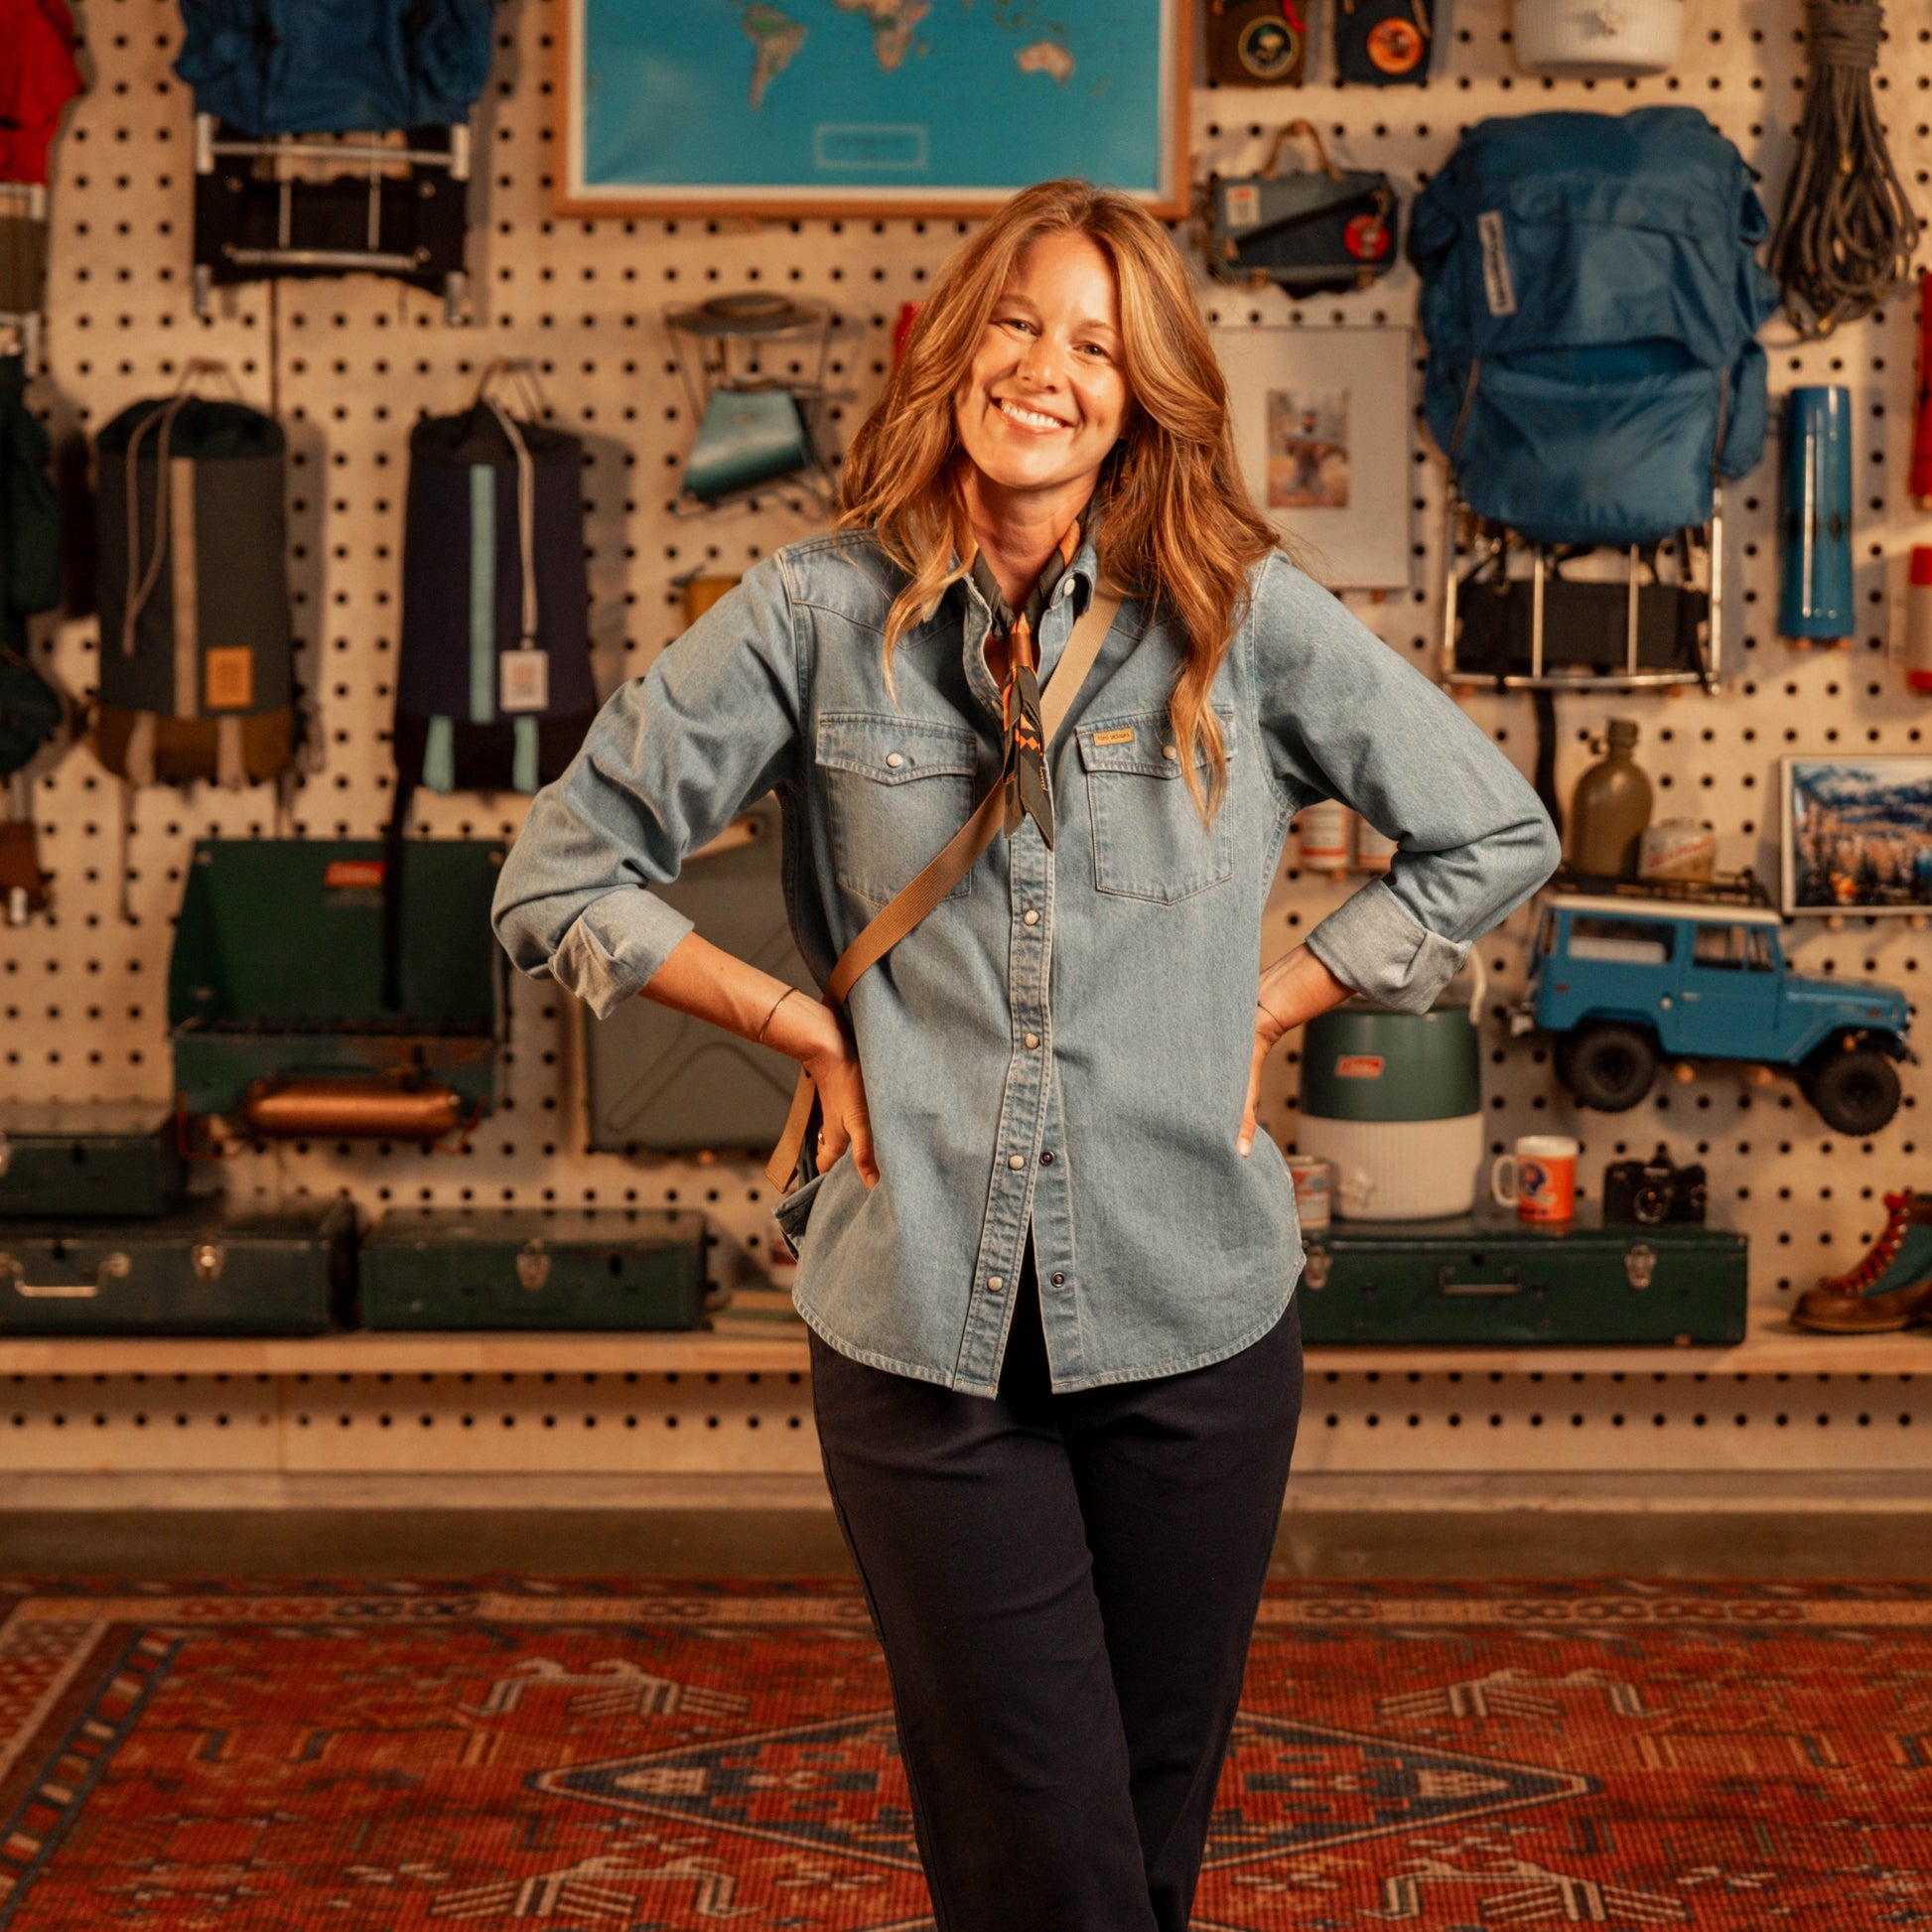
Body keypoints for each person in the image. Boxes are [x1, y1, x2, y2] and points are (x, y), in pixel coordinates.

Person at [492, 178, 1560, 1932]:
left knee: (1134, 1838)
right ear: (952, 342)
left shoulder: (1241, 611)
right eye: (1017, 322)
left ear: (1145, 394)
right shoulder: (810, 611)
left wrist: (1279, 1001)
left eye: (1096, 343)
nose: (1046, 369)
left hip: (1197, 1316)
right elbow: (560, 865)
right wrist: (794, 1020)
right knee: (1040, 1833)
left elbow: (1490, 832)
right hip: (920, 1321)